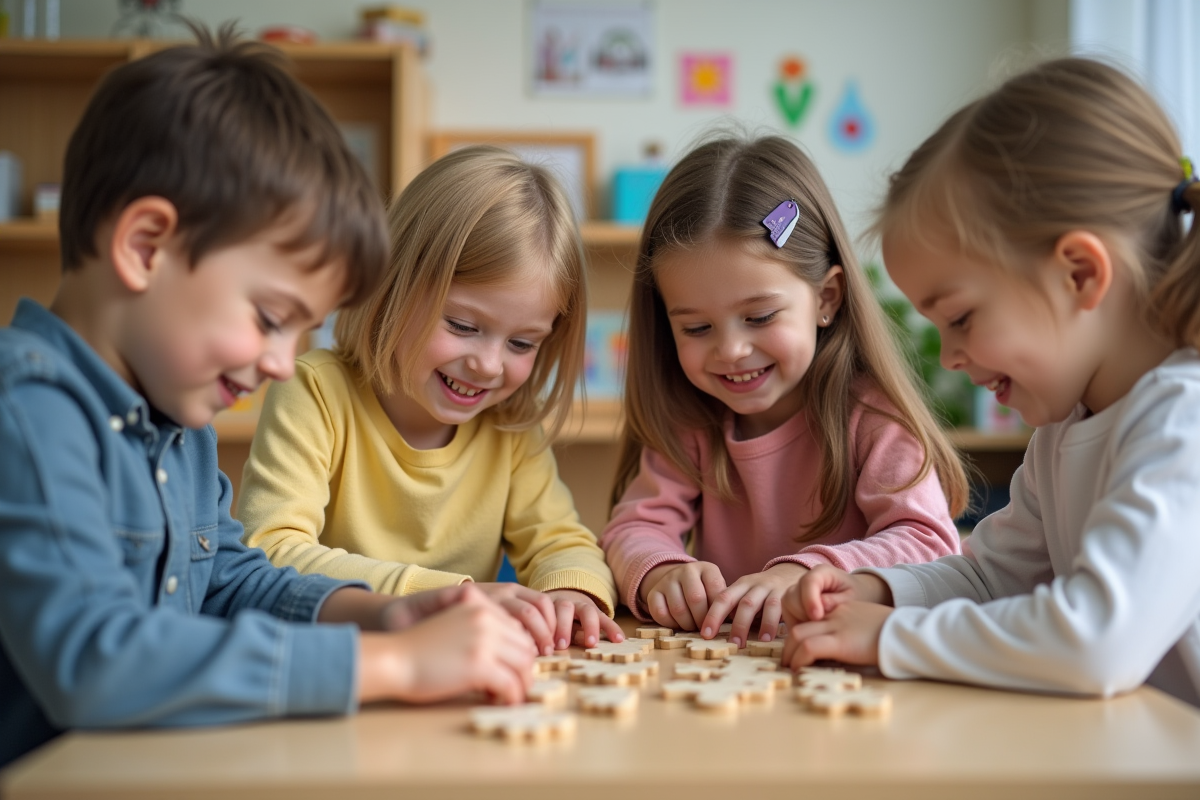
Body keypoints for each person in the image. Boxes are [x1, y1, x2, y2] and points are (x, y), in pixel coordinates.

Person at [0, 28, 537, 769]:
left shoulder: (174, 411)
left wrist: (383, 615)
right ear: (146, 247)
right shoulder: (29, 408)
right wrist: (395, 667)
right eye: (270, 319)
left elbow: (225, 579)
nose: (285, 365)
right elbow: (96, 659)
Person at [780, 58, 1200, 709]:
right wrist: (879, 591)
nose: (948, 356)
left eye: (961, 318)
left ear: (1081, 275)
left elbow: (1097, 641)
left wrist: (894, 635)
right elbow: (991, 576)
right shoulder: (1066, 427)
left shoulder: (1183, 418)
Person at [237, 146, 622, 656]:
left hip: (455, 672)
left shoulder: (508, 427)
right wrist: (449, 595)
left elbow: (561, 542)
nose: (488, 364)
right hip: (332, 665)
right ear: (391, 286)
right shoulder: (315, 389)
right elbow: (271, 553)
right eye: (462, 326)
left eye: (522, 343)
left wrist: (570, 591)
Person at [600, 135, 967, 650]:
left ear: (827, 299)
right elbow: (632, 528)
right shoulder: (692, 421)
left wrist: (805, 572)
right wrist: (661, 569)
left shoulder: (872, 416)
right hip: (737, 675)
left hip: (854, 670)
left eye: (759, 317)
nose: (731, 350)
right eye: (697, 329)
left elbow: (929, 544)